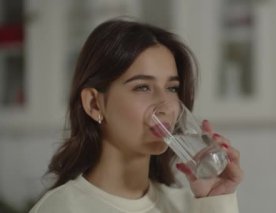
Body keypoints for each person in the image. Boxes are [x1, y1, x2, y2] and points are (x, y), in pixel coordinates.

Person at [30, 18, 243, 213]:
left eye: (172, 88)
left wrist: (215, 201)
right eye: (142, 87)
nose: (165, 106)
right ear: (94, 104)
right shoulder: (61, 208)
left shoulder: (191, 204)